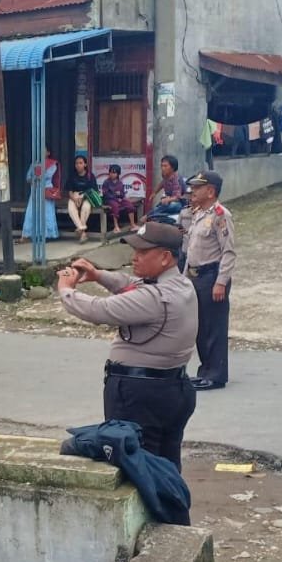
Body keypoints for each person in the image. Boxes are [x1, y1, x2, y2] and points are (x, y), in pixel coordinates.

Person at [55, 223, 197, 471]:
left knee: (138, 468)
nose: (135, 258)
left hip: (141, 395)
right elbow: (133, 283)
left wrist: (66, 290)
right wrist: (99, 275)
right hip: (172, 388)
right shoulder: (180, 285)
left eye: (143, 253)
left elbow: (100, 309)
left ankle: (151, 509)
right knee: (166, 467)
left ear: (165, 257)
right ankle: (171, 509)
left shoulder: (154, 298)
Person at [179, 171, 236, 392]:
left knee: (214, 327)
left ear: (210, 191)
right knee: (200, 327)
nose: (192, 191)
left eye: (197, 187)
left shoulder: (221, 215)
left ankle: (216, 374)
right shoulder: (197, 214)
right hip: (195, 275)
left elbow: (229, 252)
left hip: (212, 276)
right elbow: (190, 250)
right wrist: (184, 279)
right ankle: (205, 371)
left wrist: (221, 282)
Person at [19, 148, 59, 243]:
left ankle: (46, 235)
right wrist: (34, 177)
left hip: (46, 190)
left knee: (46, 213)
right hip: (35, 191)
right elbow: (28, 177)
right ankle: (27, 235)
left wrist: (37, 175)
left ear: (48, 152)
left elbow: (48, 176)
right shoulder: (34, 164)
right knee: (31, 213)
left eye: (44, 150)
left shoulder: (53, 164)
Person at [64, 155, 99, 242]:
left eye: (80, 163)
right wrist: (74, 199)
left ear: (85, 164)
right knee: (71, 209)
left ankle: (80, 229)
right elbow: (70, 191)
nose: (78, 165)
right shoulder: (72, 176)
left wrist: (82, 198)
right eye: (76, 163)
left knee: (86, 208)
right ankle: (82, 230)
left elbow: (93, 191)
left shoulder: (90, 176)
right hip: (75, 196)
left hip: (87, 196)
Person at [145, 155, 187, 223]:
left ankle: (148, 216)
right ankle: (150, 217)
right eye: (162, 166)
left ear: (172, 168)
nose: (162, 168)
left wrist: (168, 199)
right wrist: (154, 193)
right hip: (169, 201)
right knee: (159, 206)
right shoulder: (165, 175)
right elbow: (162, 183)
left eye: (165, 166)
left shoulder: (177, 179)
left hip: (180, 203)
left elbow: (177, 198)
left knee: (170, 205)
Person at [101, 163, 139, 233]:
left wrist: (121, 197)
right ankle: (116, 226)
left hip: (119, 199)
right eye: (111, 172)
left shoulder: (120, 182)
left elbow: (122, 194)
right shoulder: (106, 182)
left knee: (129, 205)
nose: (112, 174)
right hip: (109, 200)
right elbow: (105, 194)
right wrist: (116, 197)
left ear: (118, 174)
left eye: (114, 173)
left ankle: (133, 225)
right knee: (115, 206)